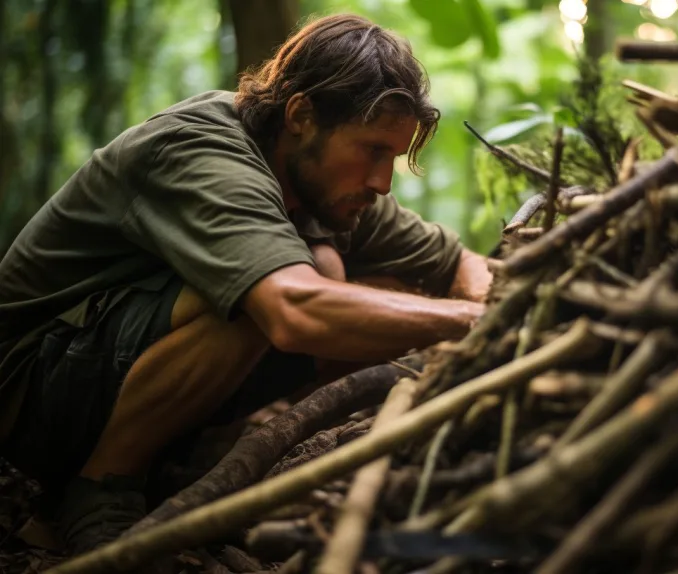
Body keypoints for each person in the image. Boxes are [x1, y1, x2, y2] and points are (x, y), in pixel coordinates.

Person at [0, 13, 493, 555]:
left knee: (390, 289)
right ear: (301, 115)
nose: (381, 181)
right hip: (26, 391)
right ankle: (101, 487)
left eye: (393, 158)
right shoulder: (202, 149)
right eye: (372, 150)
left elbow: (459, 262)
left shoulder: (330, 180)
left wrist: (473, 299)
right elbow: (293, 309)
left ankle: (180, 457)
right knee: (268, 298)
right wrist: (476, 322)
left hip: (99, 373)